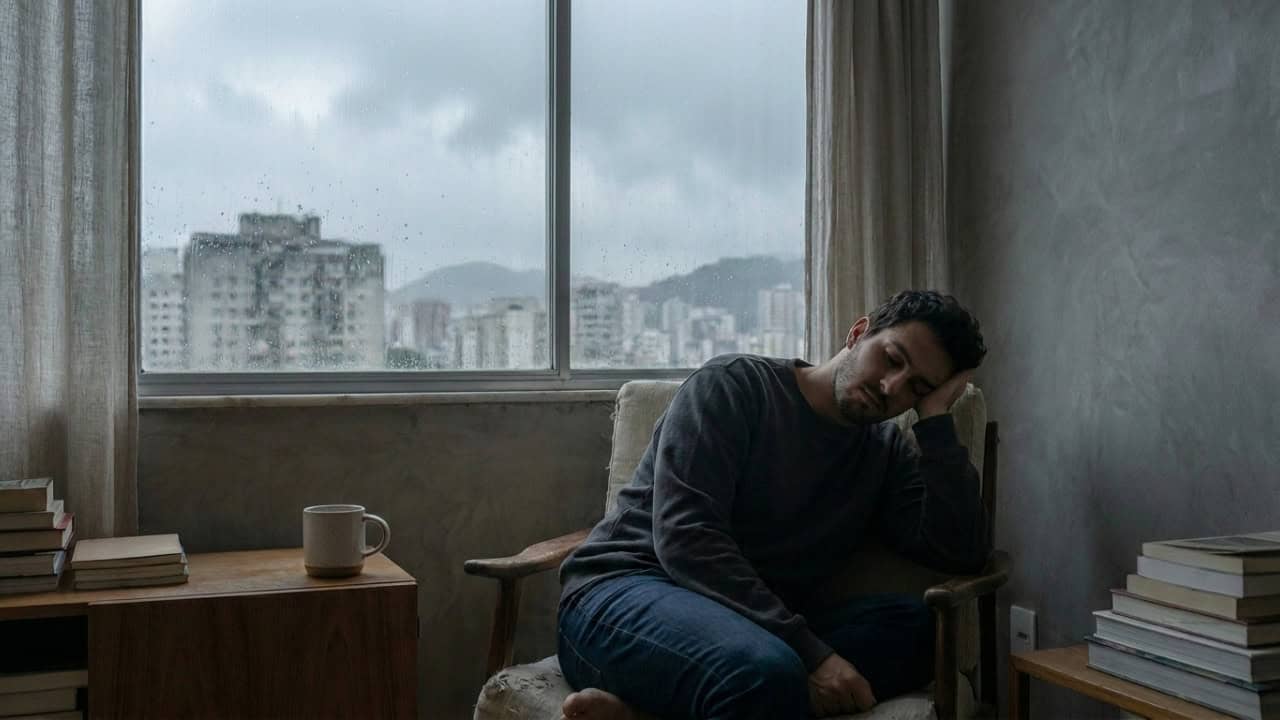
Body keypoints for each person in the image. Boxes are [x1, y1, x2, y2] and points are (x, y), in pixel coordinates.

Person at [555, 290, 991, 720]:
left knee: (919, 630)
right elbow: (688, 540)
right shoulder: (732, 385)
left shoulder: (884, 451)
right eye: (892, 359)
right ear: (858, 333)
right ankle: (759, 689)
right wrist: (814, 656)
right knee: (765, 672)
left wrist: (936, 419)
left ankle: (648, 711)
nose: (891, 387)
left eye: (916, 387)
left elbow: (960, 552)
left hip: (750, 623)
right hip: (626, 592)